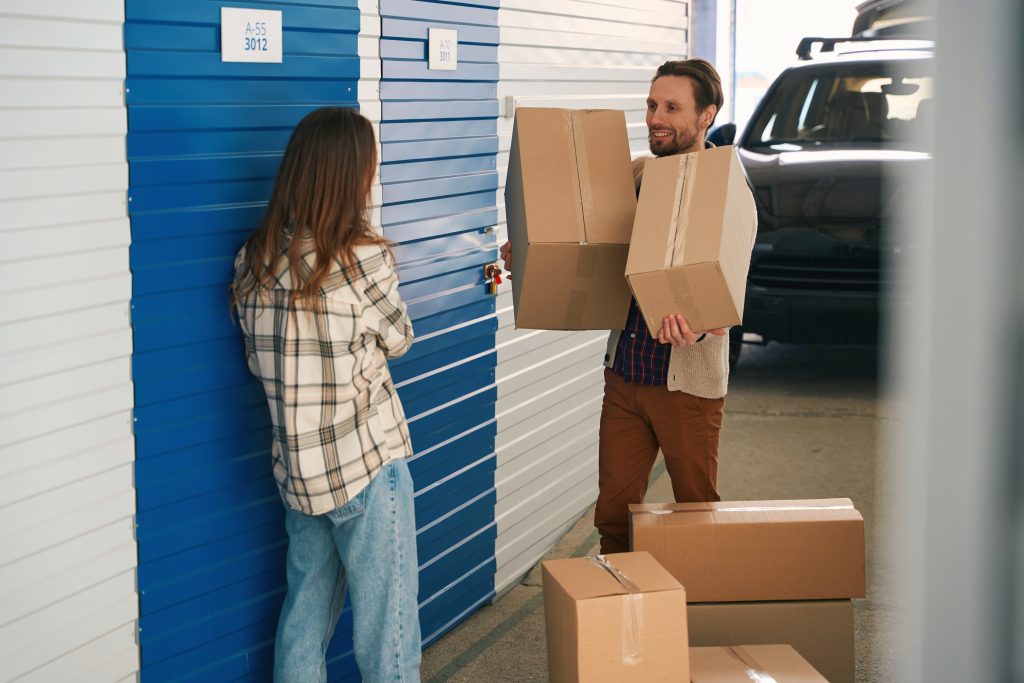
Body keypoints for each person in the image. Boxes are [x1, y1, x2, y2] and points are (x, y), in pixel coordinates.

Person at [500, 59, 749, 553]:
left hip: (686, 387)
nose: (657, 116)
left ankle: (695, 617)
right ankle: (623, 619)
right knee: (614, 516)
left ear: (706, 116)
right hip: (626, 375)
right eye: (653, 104)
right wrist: (533, 251)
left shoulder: (727, 189)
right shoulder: (635, 176)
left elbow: (730, 285)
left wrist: (700, 324)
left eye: (673, 107)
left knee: (696, 512)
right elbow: (589, 243)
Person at [231, 107, 421, 683]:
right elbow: (401, 338)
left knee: (305, 614)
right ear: (349, 176)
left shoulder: (253, 260)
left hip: (297, 472)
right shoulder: (362, 258)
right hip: (364, 463)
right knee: (386, 630)